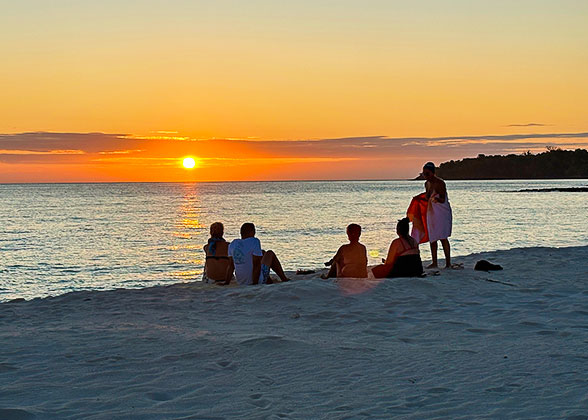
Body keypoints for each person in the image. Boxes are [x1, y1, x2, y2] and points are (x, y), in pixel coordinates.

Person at [419, 161, 452, 268]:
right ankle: (434, 262)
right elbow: (428, 196)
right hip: (432, 211)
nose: (425, 176)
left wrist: (437, 199)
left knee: (443, 237)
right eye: (424, 174)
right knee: (432, 237)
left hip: (441, 212)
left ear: (433, 173)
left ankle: (448, 263)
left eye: (427, 174)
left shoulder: (440, 183)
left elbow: (443, 199)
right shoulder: (427, 184)